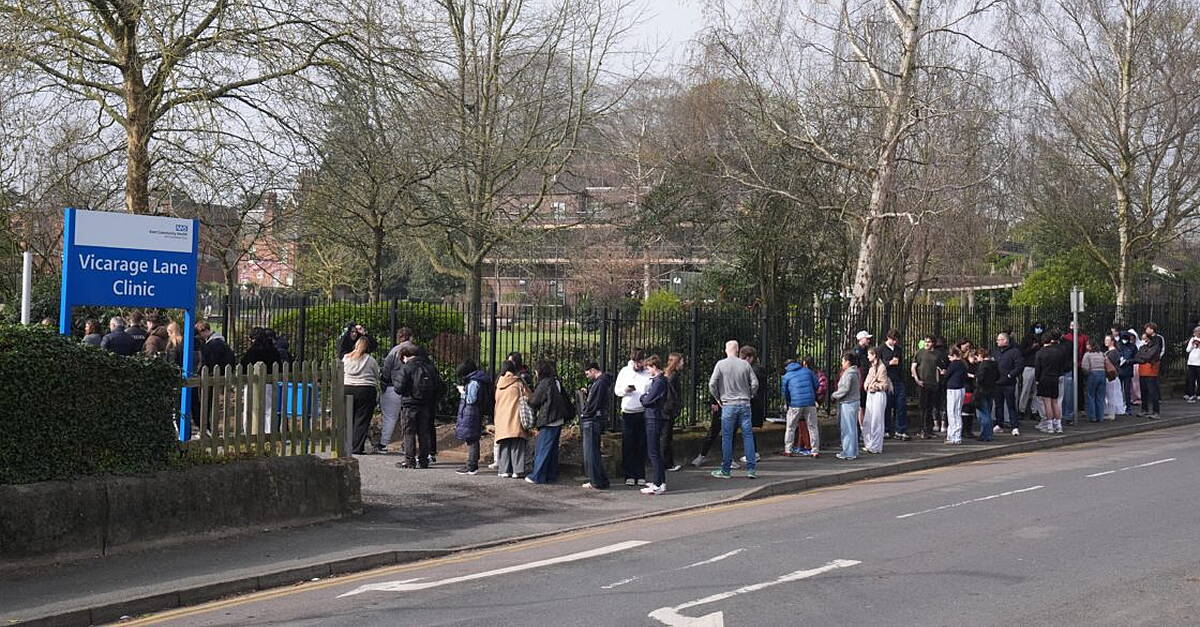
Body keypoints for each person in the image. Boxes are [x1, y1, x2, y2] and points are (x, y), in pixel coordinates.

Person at [709, 340, 759, 479]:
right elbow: (755, 383)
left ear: (726, 350)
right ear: (737, 350)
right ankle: (751, 469)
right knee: (748, 436)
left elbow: (712, 383)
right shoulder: (745, 364)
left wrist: (718, 398)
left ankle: (726, 469)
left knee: (727, 437)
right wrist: (750, 395)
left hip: (728, 404)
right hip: (744, 404)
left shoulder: (721, 364)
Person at [394, 346, 444, 469]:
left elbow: (398, 388)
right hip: (425, 405)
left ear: (405, 356)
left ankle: (410, 460)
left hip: (409, 404)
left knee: (409, 432)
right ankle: (424, 460)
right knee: (424, 433)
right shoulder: (429, 368)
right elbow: (440, 386)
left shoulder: (407, 368)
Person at [526, 360, 570, 484]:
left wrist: (527, 399)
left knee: (543, 449)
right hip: (558, 419)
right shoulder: (555, 382)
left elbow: (535, 401)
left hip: (549, 419)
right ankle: (550, 475)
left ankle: (537, 475)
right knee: (552, 450)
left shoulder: (544, 383)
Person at [615, 349, 651, 486]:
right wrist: (626, 390)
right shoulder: (625, 371)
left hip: (642, 411)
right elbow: (617, 391)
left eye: (640, 362)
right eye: (636, 362)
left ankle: (640, 474)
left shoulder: (647, 373)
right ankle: (629, 474)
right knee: (628, 444)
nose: (637, 365)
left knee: (641, 444)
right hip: (628, 412)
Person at [378, 330, 418, 455]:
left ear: (398, 337)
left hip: (393, 387)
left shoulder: (394, 351)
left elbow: (386, 369)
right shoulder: (417, 350)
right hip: (412, 389)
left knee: (390, 417)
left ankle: (383, 444)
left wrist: (383, 383)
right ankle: (407, 444)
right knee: (408, 418)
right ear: (410, 337)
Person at [638, 356, 670, 495]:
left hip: (653, 417)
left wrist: (642, 397)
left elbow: (647, 400)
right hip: (655, 417)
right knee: (656, 451)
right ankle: (660, 481)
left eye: (648, 367)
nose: (647, 370)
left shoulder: (658, 382)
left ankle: (657, 484)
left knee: (653, 452)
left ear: (654, 367)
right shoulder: (660, 380)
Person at [579, 362, 613, 489]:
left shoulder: (600, 383)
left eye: (588, 373)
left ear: (593, 370)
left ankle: (596, 480)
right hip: (597, 419)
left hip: (593, 419)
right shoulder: (602, 382)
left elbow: (594, 403)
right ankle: (599, 479)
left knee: (591, 452)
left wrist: (585, 413)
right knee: (594, 451)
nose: (587, 376)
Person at [493, 362, 531, 478]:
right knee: (517, 444)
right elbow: (529, 396)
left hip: (501, 418)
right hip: (515, 417)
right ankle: (517, 470)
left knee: (504, 444)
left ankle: (504, 470)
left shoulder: (499, 384)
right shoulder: (518, 383)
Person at [453, 360, 492, 475]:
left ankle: (471, 465)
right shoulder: (478, 379)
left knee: (471, 439)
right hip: (474, 412)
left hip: (471, 412)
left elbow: (471, 399)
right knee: (472, 438)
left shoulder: (474, 382)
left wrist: (462, 392)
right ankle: (471, 463)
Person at [343, 337, 380, 455]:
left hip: (347, 387)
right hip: (366, 389)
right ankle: (357, 447)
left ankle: (345, 445)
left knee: (348, 418)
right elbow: (376, 374)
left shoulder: (346, 358)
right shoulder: (370, 360)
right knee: (362, 419)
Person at [781, 357, 819, 456]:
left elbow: (785, 393)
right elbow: (816, 384)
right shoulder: (807, 371)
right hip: (810, 402)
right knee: (812, 427)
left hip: (795, 404)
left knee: (790, 427)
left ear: (786, 367)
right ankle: (815, 451)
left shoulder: (786, 376)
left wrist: (790, 402)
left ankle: (788, 450)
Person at [877, 329, 909, 440]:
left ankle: (900, 429)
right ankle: (886, 429)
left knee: (901, 405)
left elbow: (900, 364)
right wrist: (889, 363)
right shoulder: (881, 349)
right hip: (887, 379)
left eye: (896, 340)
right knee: (887, 405)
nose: (895, 342)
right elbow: (878, 365)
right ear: (888, 338)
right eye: (893, 340)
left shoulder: (898, 350)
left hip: (898, 379)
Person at [992, 332, 1023, 436]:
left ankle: (1014, 426)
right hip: (997, 382)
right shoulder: (995, 352)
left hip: (1009, 383)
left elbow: (1019, 366)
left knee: (1011, 405)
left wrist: (1011, 375)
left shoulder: (1015, 352)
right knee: (998, 405)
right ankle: (999, 424)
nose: (997, 341)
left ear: (1005, 340)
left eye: (999, 339)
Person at [831, 352, 861, 460]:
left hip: (848, 402)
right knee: (852, 428)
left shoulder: (849, 373)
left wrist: (835, 395)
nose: (842, 363)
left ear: (848, 362)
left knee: (847, 428)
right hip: (853, 401)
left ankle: (848, 452)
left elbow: (845, 389)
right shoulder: (855, 372)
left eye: (843, 361)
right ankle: (853, 451)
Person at [911, 334, 941, 439]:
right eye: (925, 341)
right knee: (923, 407)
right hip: (922, 383)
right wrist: (917, 379)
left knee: (930, 407)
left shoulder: (937, 354)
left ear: (933, 343)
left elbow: (939, 368)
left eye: (929, 342)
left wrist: (937, 380)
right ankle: (922, 429)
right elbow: (913, 367)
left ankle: (929, 429)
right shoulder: (920, 353)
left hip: (932, 383)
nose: (927, 344)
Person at [1034, 331, 1064, 434]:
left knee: (1047, 403)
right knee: (1055, 402)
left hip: (1044, 378)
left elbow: (1038, 369)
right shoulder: (1058, 352)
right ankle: (1059, 425)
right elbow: (1061, 366)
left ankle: (1050, 425)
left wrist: (1037, 380)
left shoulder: (1040, 353)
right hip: (1055, 378)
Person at [862, 347, 890, 454]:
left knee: (876, 421)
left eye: (870, 354)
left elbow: (884, 384)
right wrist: (868, 385)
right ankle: (869, 443)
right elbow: (866, 383)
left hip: (878, 395)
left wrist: (874, 385)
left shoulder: (882, 368)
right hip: (870, 395)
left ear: (875, 355)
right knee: (868, 420)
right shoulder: (871, 368)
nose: (868, 356)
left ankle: (876, 446)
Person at [740, 345, 766, 464]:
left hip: (752, 402)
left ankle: (752, 453)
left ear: (750, 358)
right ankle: (752, 452)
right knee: (748, 429)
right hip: (756, 402)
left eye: (744, 358)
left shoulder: (753, 371)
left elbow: (752, 387)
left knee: (747, 429)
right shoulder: (758, 369)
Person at [1135, 323, 1165, 419]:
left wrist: (1144, 356)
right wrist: (1143, 356)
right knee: (1144, 391)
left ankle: (1156, 411)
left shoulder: (1157, 339)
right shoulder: (1144, 345)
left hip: (1152, 368)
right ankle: (1145, 409)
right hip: (1143, 369)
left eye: (1147, 329)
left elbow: (1153, 354)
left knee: (1152, 391)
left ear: (1152, 330)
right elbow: (1139, 354)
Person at [662, 353, 686, 472]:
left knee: (665, 436)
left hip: (664, 408)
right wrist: (676, 408)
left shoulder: (665, 374)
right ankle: (667, 463)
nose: (683, 364)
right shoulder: (674, 376)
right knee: (667, 437)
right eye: (681, 361)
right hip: (669, 409)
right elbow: (674, 395)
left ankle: (667, 462)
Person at [1018, 324, 1045, 422]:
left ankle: (1034, 411)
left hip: (1039, 367)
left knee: (1037, 391)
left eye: (1040, 327)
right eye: (1037, 327)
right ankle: (1021, 410)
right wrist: (1032, 348)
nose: (1039, 329)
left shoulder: (1042, 339)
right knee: (1026, 389)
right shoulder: (1027, 339)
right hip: (1029, 366)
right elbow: (1022, 352)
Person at [972, 348, 1000, 441]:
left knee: (984, 414)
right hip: (991, 390)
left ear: (980, 355)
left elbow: (980, 378)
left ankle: (985, 435)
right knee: (988, 411)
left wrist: (974, 377)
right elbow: (998, 376)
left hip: (982, 391)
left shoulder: (983, 365)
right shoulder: (994, 364)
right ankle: (989, 434)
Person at [1080, 338, 1108, 423]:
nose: (1086, 346)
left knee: (1090, 396)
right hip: (1102, 374)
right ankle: (1100, 416)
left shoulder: (1087, 355)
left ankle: (1092, 417)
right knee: (1100, 396)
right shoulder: (1101, 354)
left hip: (1092, 374)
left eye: (1087, 344)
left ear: (1090, 346)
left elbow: (1085, 367)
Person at [945, 348, 967, 444]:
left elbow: (947, 375)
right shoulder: (962, 364)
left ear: (953, 355)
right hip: (960, 389)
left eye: (949, 357)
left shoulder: (954, 364)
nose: (949, 359)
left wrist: (943, 373)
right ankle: (955, 435)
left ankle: (954, 436)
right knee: (957, 412)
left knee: (952, 412)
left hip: (953, 389)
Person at [1103, 334, 1125, 419]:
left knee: (1111, 395)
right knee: (1110, 395)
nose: (1105, 342)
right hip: (1111, 376)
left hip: (1111, 376)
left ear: (1112, 341)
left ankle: (1111, 413)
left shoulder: (1113, 352)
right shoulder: (1110, 352)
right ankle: (1110, 412)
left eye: (1107, 340)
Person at [1116, 330, 1137, 414]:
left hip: (1127, 371)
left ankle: (1128, 407)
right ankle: (1120, 406)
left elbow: (1136, 358)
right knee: (1119, 390)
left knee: (1127, 390)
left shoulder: (1132, 347)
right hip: (1119, 370)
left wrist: (1128, 361)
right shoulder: (1118, 345)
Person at [1184, 326, 1200, 403]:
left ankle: (1198, 394)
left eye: (1197, 332)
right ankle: (1191, 394)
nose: (1196, 333)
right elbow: (1187, 350)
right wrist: (1193, 345)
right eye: (1195, 332)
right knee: (1191, 379)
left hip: (1199, 362)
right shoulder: (1192, 340)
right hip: (1191, 362)